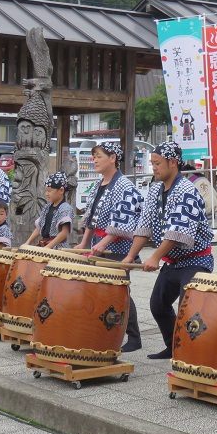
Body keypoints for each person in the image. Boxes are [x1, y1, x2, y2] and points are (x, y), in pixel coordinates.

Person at [123, 142, 214, 360]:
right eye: (152, 163)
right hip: (173, 262)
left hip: (195, 260)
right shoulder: (155, 189)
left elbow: (178, 231)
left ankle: (194, 355)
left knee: (189, 310)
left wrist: (154, 257)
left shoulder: (187, 191)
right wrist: (130, 256)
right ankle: (173, 345)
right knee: (158, 305)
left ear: (173, 163)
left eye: (157, 163)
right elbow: (144, 225)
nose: (153, 167)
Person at [76, 143, 144, 352]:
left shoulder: (125, 186)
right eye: (94, 156)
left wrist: (102, 244)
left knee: (119, 291)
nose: (94, 160)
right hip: (99, 244)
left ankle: (133, 336)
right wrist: (84, 243)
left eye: (98, 156)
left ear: (113, 158)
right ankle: (105, 329)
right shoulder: (99, 184)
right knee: (100, 288)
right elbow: (90, 218)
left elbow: (122, 224)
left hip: (118, 246)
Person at [23, 172, 74, 250]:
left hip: (59, 248)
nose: (46, 194)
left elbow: (65, 232)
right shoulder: (47, 207)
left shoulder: (65, 208)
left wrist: (47, 247)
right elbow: (39, 227)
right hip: (45, 247)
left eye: (49, 191)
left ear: (61, 190)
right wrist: (27, 242)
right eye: (45, 191)